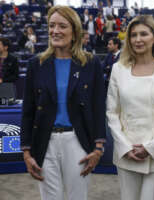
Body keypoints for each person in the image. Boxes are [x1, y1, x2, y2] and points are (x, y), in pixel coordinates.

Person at [20, 6, 106, 200]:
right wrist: (26, 152)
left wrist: (98, 148)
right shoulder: (36, 64)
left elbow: (98, 107)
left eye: (62, 26)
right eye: (51, 26)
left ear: (74, 31)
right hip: (44, 142)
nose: (55, 31)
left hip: (78, 142)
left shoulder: (91, 63)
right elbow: (28, 111)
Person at [106, 15, 154, 200]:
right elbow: (112, 113)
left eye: (144, 34)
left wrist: (150, 148)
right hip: (127, 153)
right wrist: (125, 147)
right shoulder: (118, 69)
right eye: (133, 35)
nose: (138, 39)